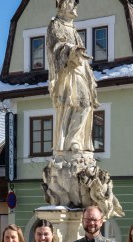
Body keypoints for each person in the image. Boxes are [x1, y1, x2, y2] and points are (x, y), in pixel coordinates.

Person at [46, 0, 99, 154]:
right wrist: (71, 50)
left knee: (86, 104)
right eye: (71, 2)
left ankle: (76, 140)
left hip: (81, 70)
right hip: (68, 72)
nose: (75, 5)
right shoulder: (56, 25)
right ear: (62, 5)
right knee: (77, 103)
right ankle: (71, 141)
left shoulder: (73, 29)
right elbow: (56, 46)